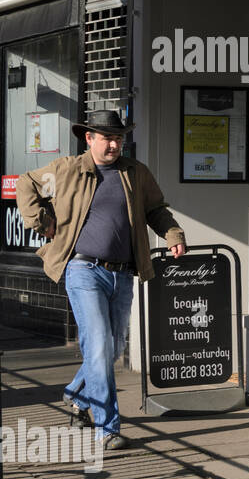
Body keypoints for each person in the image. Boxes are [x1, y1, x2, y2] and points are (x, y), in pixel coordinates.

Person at [16, 110, 186, 450]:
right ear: (88, 138)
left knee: (111, 349)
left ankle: (76, 394)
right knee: (97, 346)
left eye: (118, 138)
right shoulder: (66, 170)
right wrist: (41, 220)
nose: (113, 144)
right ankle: (107, 428)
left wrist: (172, 234)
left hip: (123, 272)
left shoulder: (135, 173)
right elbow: (26, 184)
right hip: (82, 269)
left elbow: (156, 209)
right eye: (106, 138)